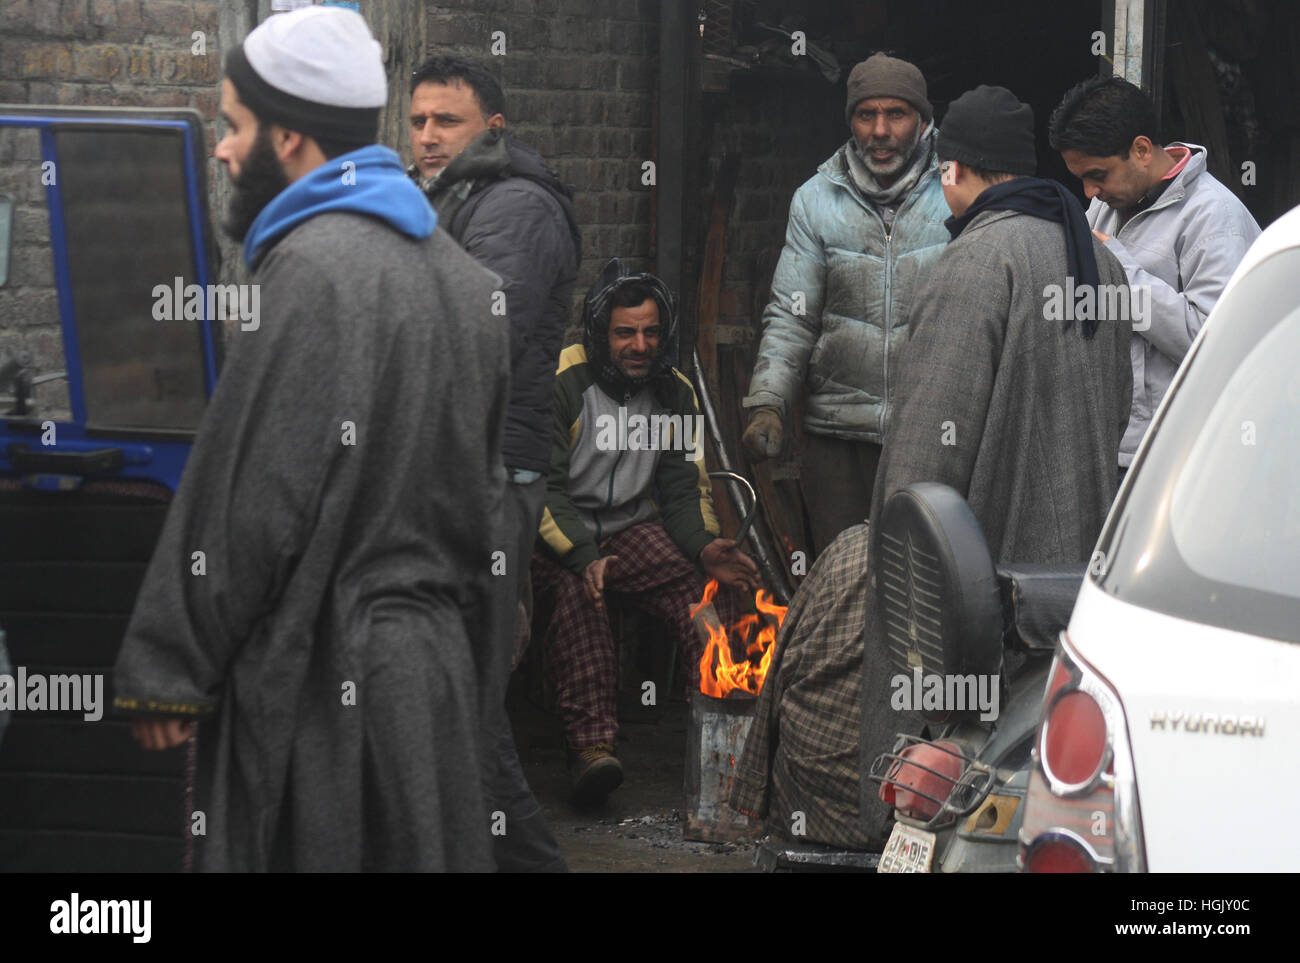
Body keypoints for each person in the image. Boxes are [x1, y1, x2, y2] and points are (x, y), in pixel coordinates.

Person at [113, 7, 507, 872]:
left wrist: (170, 663)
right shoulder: (466, 283)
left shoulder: (317, 270)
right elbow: (489, 505)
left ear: (288, 138)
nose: (220, 149)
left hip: (337, 688)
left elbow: (254, 493)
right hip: (432, 686)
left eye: (233, 126)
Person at [736, 86, 1134, 849]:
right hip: (1071, 577)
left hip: (987, 582)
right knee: (1038, 777)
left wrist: (901, 566)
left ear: (952, 170)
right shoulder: (1097, 263)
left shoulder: (975, 259)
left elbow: (925, 457)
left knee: (947, 775)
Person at [406, 54, 580, 873]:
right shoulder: (450, 200)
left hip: (486, 476)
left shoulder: (514, 207)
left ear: (494, 128)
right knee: (455, 696)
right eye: (418, 121)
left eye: (447, 121)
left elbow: (479, 342)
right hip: (456, 471)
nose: (429, 136)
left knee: (464, 703)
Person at [533, 258, 760, 805]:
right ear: (599, 332)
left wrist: (706, 548)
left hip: (629, 529)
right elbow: (544, 489)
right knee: (579, 597)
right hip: (555, 539)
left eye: (651, 331)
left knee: (706, 590)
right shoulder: (561, 382)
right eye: (625, 332)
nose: (640, 345)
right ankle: (592, 751)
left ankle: (728, 742)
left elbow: (684, 488)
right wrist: (584, 555)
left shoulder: (675, 393)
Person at [740, 53, 950, 556]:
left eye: (895, 114)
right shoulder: (815, 200)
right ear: (850, 121)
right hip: (836, 433)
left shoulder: (955, 192)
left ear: (923, 120)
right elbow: (793, 313)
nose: (879, 130)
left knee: (922, 579)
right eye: (865, 115)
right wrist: (768, 401)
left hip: (928, 431)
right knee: (842, 576)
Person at [1048, 76, 1261, 481]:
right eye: (1081, 178)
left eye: (1098, 174)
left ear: (1142, 150)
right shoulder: (1108, 207)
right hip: (1114, 444)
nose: (1089, 191)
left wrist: (1118, 273)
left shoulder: (1215, 218)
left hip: (1182, 454)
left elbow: (1214, 345)